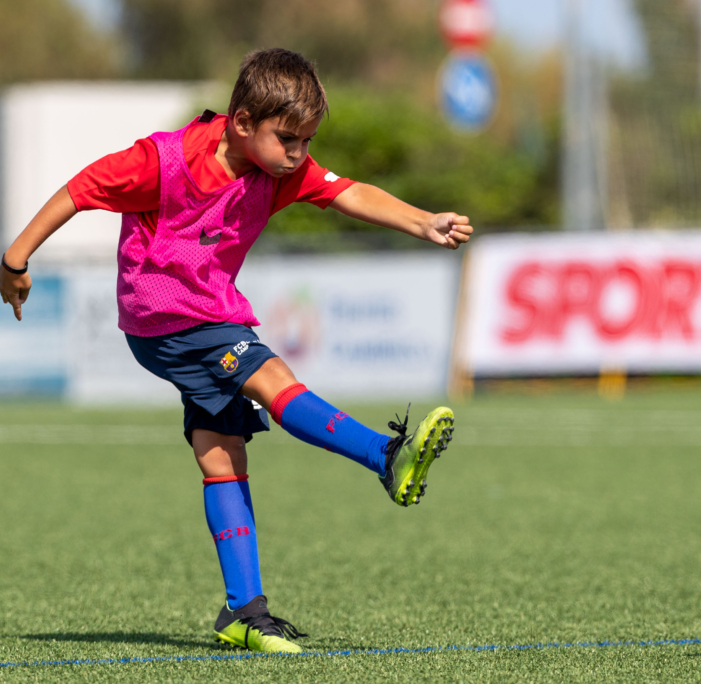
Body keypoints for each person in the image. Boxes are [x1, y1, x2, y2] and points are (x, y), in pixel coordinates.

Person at [0, 48, 471, 654]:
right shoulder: (161, 161)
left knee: (221, 457)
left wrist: (421, 221)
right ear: (243, 123)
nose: (299, 154)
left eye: (307, 140)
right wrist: (15, 258)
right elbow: (83, 188)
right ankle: (386, 456)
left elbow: (348, 192)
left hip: (209, 313)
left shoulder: (277, 169)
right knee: (270, 374)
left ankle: (243, 612)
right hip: (164, 316)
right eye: (289, 139)